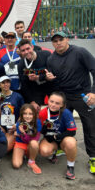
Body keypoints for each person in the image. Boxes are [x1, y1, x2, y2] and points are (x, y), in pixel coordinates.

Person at [46, 31, 95, 173]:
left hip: (83, 96)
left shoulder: (80, 52)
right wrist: (50, 78)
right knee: (60, 124)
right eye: (55, 41)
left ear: (67, 39)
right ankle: (62, 147)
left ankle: (93, 157)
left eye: (61, 39)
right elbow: (55, 79)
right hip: (64, 97)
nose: (58, 43)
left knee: (90, 126)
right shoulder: (51, 59)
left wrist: (93, 91)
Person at [39, 92, 77, 180]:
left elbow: (72, 132)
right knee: (44, 151)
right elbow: (40, 130)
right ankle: (54, 154)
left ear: (62, 105)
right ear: (47, 101)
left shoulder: (66, 113)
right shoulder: (42, 113)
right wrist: (44, 130)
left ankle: (70, 166)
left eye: (57, 103)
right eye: (51, 101)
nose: (53, 105)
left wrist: (57, 137)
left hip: (63, 138)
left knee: (71, 143)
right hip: (51, 138)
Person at [17, 39, 53, 112]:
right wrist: (32, 101)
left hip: (50, 85)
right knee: (33, 110)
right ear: (20, 52)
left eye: (28, 48)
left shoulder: (46, 55)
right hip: (36, 89)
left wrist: (39, 77)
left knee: (56, 107)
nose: (26, 52)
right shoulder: (21, 65)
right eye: (23, 50)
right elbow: (24, 85)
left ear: (32, 47)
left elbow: (53, 71)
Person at [0, 76, 24, 152]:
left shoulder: (17, 96)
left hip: (14, 125)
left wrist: (17, 125)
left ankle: (16, 140)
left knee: (5, 148)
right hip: (2, 126)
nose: (6, 84)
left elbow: (23, 113)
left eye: (8, 82)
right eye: (3, 83)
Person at [12, 104, 42, 174]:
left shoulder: (37, 122)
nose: (27, 116)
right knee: (16, 165)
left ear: (34, 114)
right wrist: (20, 133)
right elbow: (22, 139)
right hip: (21, 143)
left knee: (34, 143)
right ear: (21, 114)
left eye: (30, 114)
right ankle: (24, 154)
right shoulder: (19, 123)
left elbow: (34, 139)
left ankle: (31, 162)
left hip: (31, 144)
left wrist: (23, 133)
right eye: (25, 113)